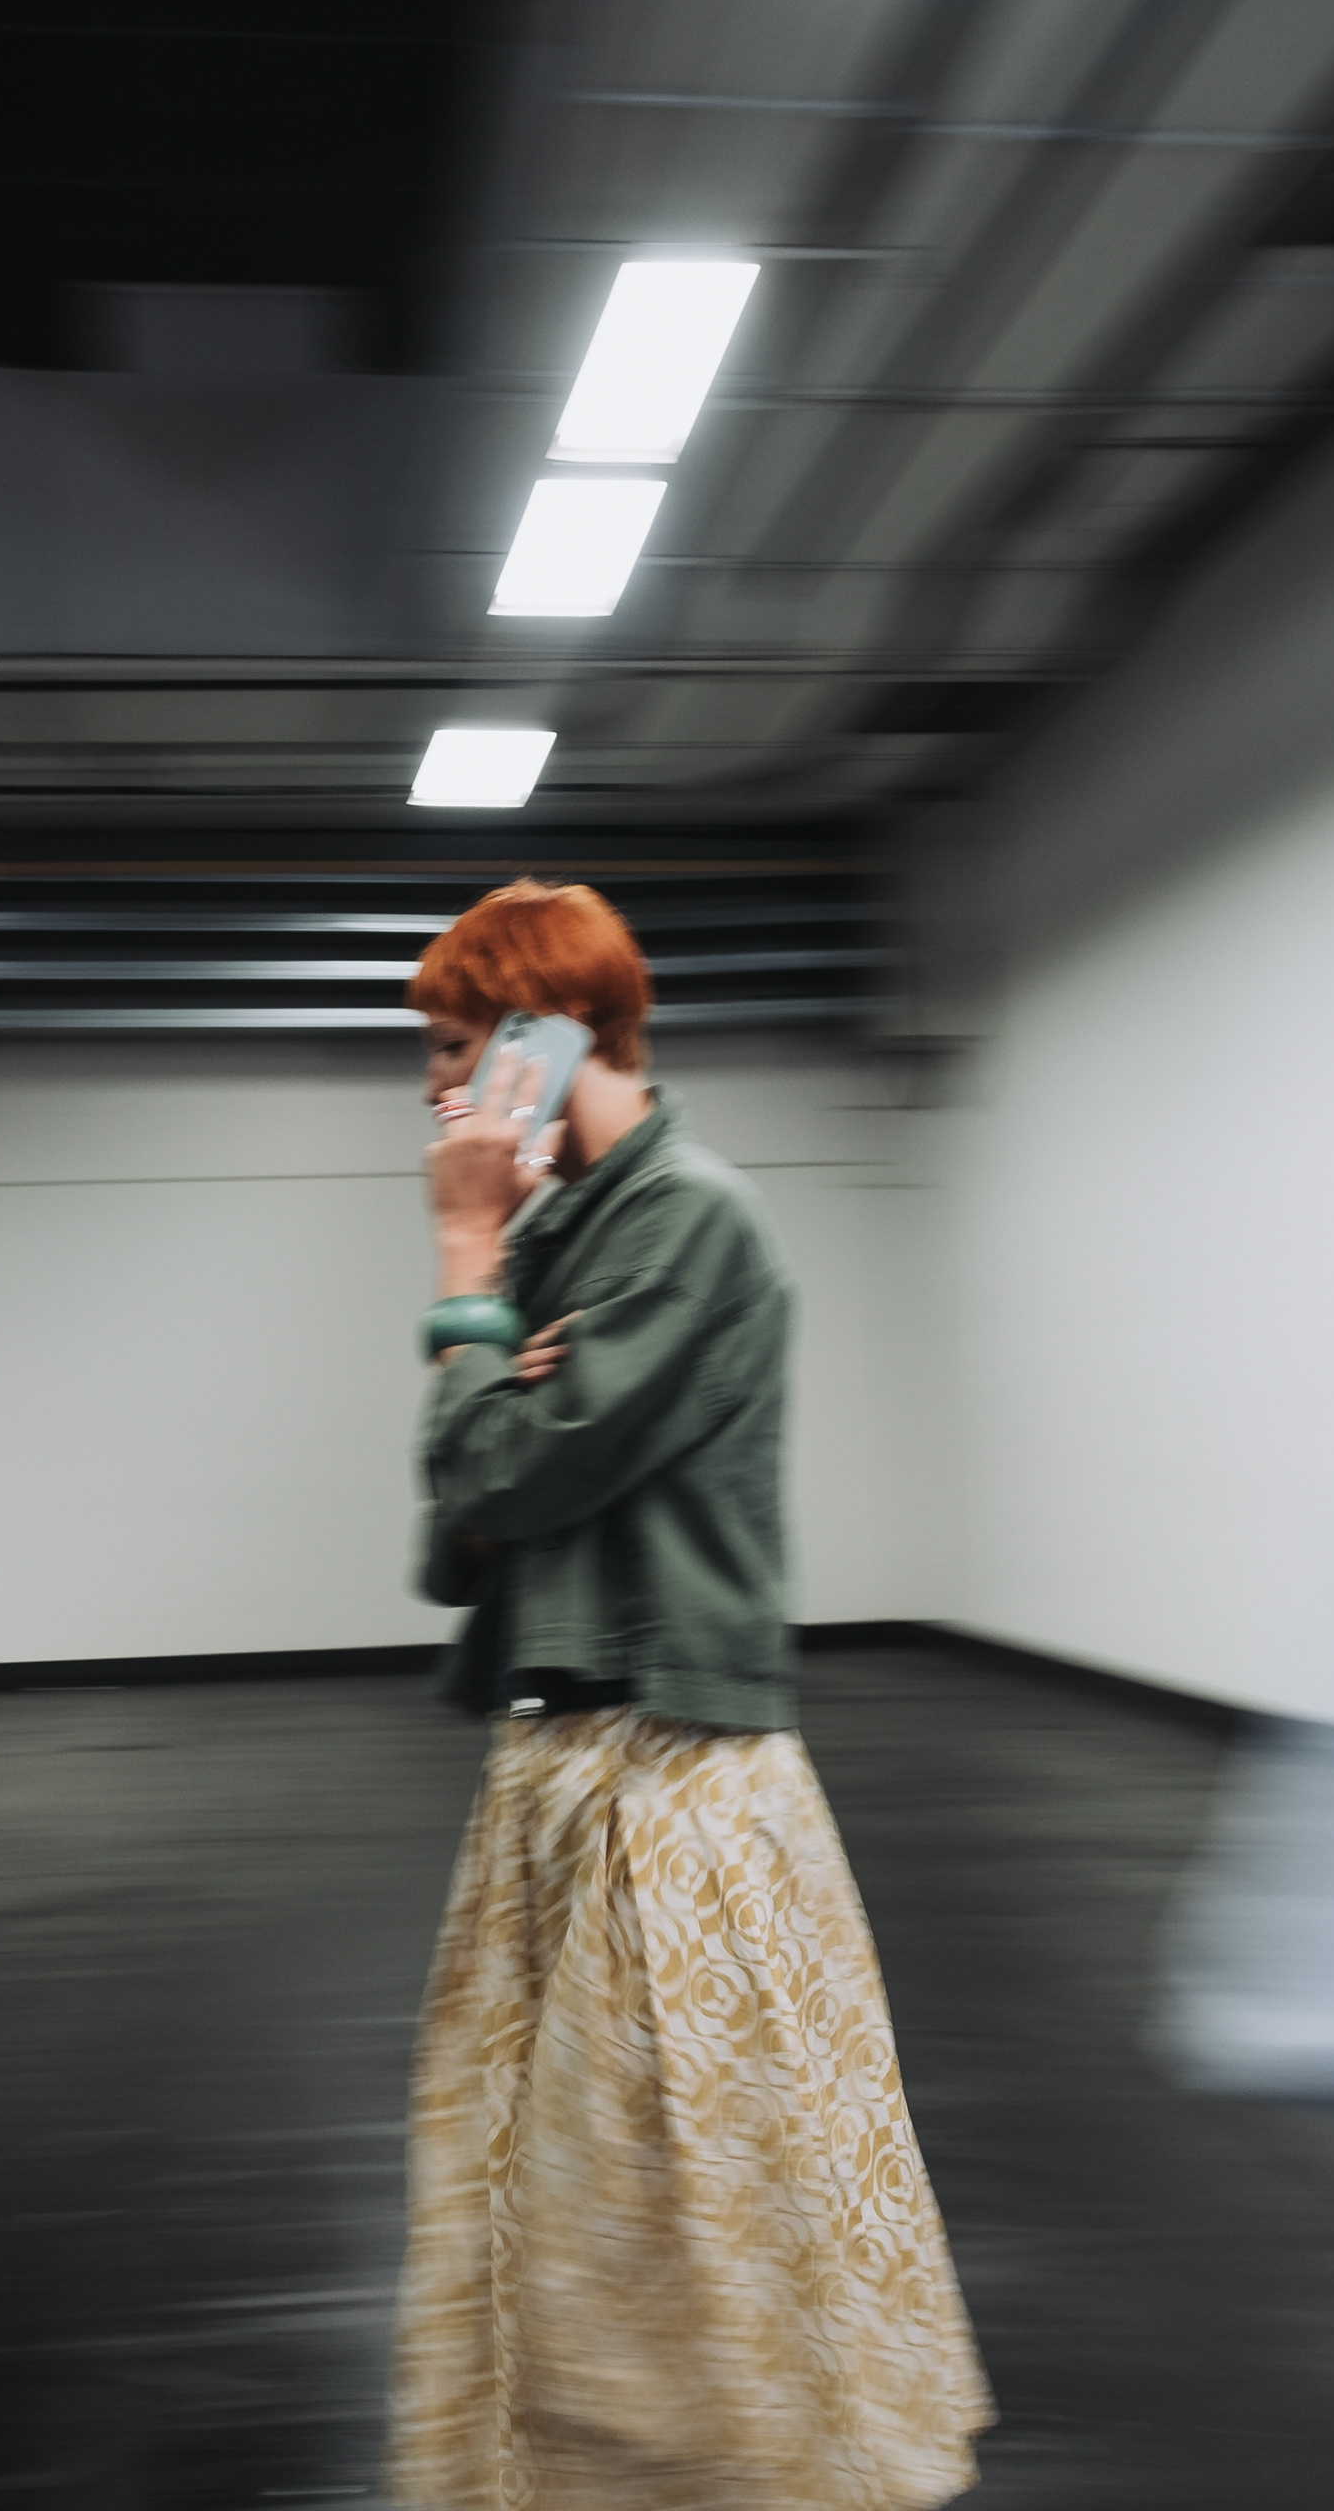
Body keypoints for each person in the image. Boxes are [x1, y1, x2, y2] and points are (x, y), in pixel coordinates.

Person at [384, 879, 993, 2511]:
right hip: (559, 1773)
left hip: (671, 1785)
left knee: (680, 2202)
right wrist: (492, 1359)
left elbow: (500, 1477)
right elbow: (453, 1539)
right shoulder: (556, 1238)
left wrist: (463, 1271)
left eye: (453, 1049)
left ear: (546, 1036)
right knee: (552, 2202)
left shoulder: (688, 1222)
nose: (434, 1092)